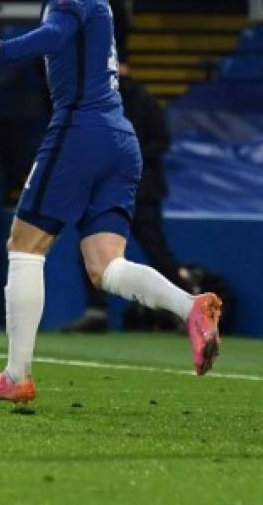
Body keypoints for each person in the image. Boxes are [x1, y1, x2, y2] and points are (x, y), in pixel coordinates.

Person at [0, 0, 222, 405]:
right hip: (118, 139)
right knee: (106, 267)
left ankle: (16, 376)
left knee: (23, 245)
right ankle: (189, 306)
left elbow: (56, 36)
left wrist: (6, 50)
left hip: (81, 129)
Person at [63, 50, 192, 333]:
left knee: (157, 252)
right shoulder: (95, 103)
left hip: (141, 190)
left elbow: (161, 143)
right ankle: (96, 311)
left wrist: (125, 156)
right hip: (104, 192)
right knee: (89, 250)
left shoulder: (143, 101)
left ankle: (187, 309)